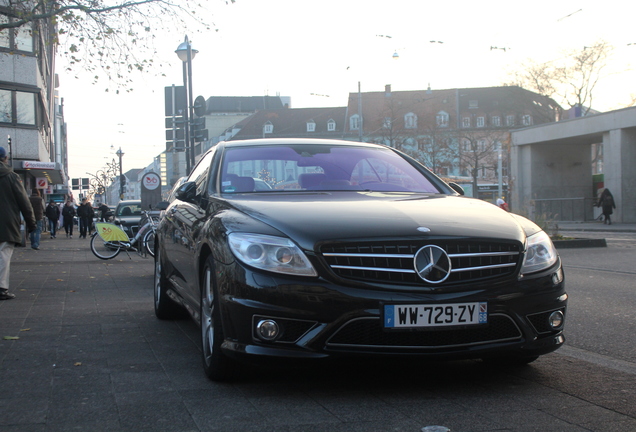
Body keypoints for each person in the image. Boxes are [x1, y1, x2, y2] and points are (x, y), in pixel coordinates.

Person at [0, 146, 36, 300]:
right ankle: (1, 288)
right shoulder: (12, 177)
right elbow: (24, 202)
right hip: (6, 223)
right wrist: (31, 223)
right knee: (3, 253)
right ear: (5, 158)